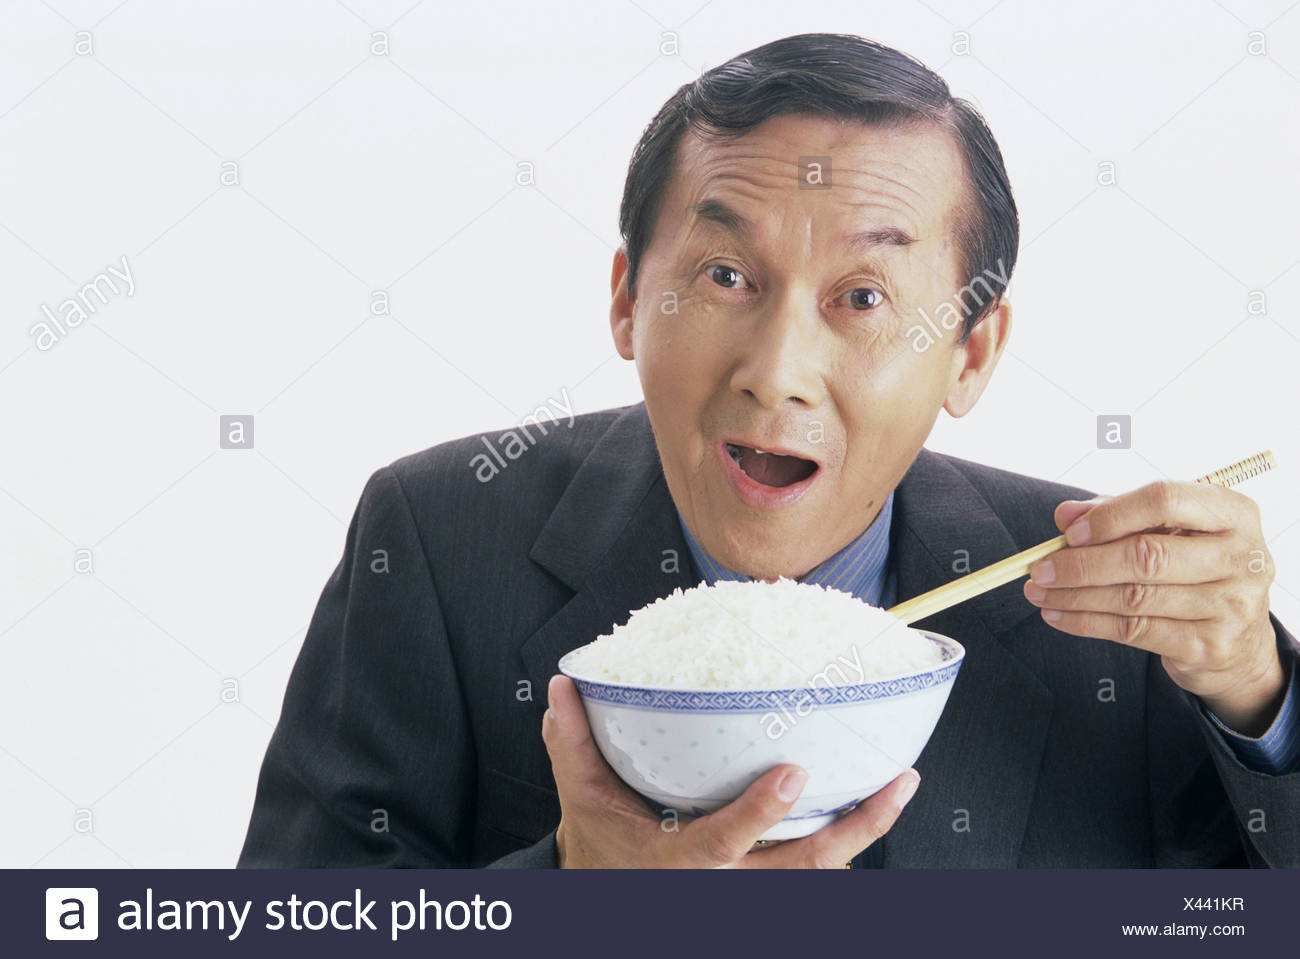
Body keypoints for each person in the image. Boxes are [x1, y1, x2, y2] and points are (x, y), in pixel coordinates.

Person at [237, 33, 1299, 870]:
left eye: (865, 297)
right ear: (626, 299)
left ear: (968, 353)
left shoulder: (1110, 608)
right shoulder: (437, 537)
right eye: (725, 277)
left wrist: (1258, 697)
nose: (777, 370)